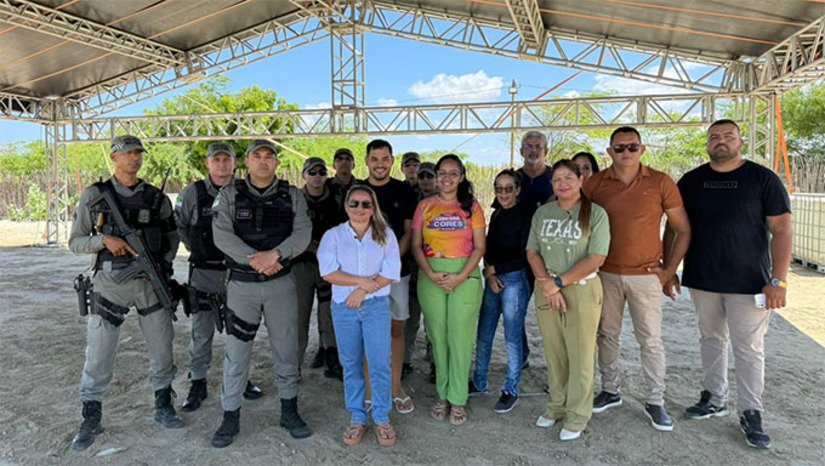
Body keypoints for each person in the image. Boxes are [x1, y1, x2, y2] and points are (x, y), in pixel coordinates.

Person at [674, 119, 791, 449]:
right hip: (703, 278)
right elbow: (675, 226)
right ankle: (713, 396)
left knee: (749, 348)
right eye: (714, 138)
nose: (720, 142)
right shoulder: (692, 181)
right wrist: (671, 267)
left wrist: (778, 281)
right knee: (710, 338)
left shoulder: (762, 179)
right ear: (707, 144)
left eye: (728, 136)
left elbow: (781, 230)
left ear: (741, 142)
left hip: (750, 282)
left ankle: (751, 411)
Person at [68, 135, 182, 451]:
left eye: (137, 153)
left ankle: (163, 404)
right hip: (109, 284)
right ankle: (91, 416)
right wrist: (103, 241)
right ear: (114, 157)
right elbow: (75, 241)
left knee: (162, 346)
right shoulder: (96, 195)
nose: (134, 158)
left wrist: (160, 265)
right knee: (100, 351)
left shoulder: (158, 198)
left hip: (150, 284)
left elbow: (172, 241)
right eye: (127, 153)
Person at [583, 126, 692, 432]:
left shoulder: (660, 182)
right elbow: (576, 220)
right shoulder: (596, 183)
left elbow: (681, 228)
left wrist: (669, 271)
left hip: (646, 275)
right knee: (607, 335)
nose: (626, 153)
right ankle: (610, 390)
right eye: (619, 148)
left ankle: (655, 400)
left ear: (642, 150)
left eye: (632, 147)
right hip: (605, 273)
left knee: (651, 341)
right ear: (609, 151)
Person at [210, 140, 313, 447]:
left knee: (286, 348)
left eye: (270, 156)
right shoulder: (228, 194)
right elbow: (222, 236)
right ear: (247, 161)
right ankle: (230, 417)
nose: (264, 162)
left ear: (277, 162)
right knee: (237, 353)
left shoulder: (293, 195)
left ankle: (289, 411)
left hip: (280, 284)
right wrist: (257, 259)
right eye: (258, 156)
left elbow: (303, 233)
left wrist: (276, 255)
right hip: (242, 286)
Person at [174, 142, 263, 412]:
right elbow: (180, 226)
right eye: (217, 160)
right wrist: (198, 250)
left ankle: (241, 379)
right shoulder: (193, 193)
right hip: (204, 272)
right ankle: (198, 382)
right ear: (207, 163)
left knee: (240, 332)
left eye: (227, 159)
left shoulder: (245, 191)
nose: (222, 164)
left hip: (237, 273)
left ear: (235, 163)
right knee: (202, 332)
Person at [526, 159, 611, 441]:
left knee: (580, 354)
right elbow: (533, 252)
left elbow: (596, 258)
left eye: (568, 178)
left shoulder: (596, 214)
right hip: (546, 286)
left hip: (580, 289)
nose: (562, 184)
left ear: (580, 180)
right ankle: (557, 405)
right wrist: (548, 286)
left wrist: (559, 283)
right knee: (554, 351)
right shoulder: (544, 213)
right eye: (557, 179)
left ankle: (577, 414)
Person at [318, 185, 401, 447]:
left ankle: (381, 416)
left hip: (375, 306)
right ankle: (357, 416)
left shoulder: (385, 235)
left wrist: (361, 293)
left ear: (373, 208)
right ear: (346, 207)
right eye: (354, 203)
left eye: (366, 204)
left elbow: (391, 270)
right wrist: (361, 283)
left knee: (379, 362)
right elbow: (329, 272)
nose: (360, 209)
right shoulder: (333, 236)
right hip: (344, 309)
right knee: (351, 362)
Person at [412, 154, 486, 426]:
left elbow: (479, 247)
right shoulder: (425, 206)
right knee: (438, 337)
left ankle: (458, 398)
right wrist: (430, 272)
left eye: (453, 173)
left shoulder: (472, 207)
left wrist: (459, 277)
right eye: (442, 172)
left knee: (460, 338)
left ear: (462, 176)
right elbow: (416, 245)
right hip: (431, 274)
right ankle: (442, 396)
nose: (446, 178)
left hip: (463, 277)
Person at [470, 169, 533, 413]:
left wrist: (497, 270)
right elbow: (488, 247)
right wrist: (491, 272)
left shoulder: (527, 215)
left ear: (517, 190)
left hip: (515, 280)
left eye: (509, 188)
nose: (503, 193)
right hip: (494, 277)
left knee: (511, 337)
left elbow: (525, 254)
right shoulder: (495, 214)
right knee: (484, 333)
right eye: (499, 188)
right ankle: (479, 381)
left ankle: (511, 389)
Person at [362, 139, 417, 415]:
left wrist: (390, 266)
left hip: (396, 274)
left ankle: (395, 387)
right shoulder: (357, 191)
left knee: (396, 330)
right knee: (368, 333)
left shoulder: (404, 191)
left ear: (392, 161)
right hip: (364, 278)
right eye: (375, 158)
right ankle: (371, 389)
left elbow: (408, 232)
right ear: (367, 161)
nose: (380, 164)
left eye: (385, 159)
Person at [294, 157, 346, 381]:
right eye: (312, 172)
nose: (317, 176)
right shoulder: (295, 200)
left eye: (321, 172)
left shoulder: (337, 200)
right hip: (301, 265)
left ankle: (331, 357)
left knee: (329, 314)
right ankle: (293, 365)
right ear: (304, 175)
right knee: (298, 317)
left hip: (329, 266)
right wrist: (312, 247)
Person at [404, 161, 437, 382]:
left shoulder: (443, 199)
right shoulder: (409, 197)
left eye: (429, 175)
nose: (425, 179)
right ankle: (405, 361)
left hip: (435, 264)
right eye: (422, 175)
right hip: (413, 265)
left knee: (434, 319)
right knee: (411, 317)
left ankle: (435, 362)